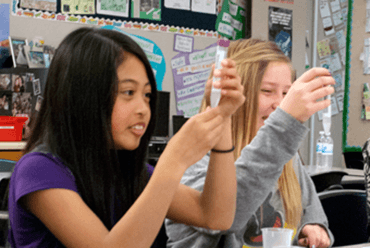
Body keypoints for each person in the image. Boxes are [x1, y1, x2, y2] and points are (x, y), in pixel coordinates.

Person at [8, 27, 246, 247]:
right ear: (85, 97)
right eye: (128, 92)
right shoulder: (39, 169)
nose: (143, 108)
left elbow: (216, 216)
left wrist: (222, 115)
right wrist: (173, 162)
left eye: (147, 95)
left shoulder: (128, 171)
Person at [165, 38, 335, 248]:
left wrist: (312, 227)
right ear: (233, 93)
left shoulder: (285, 156)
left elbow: (313, 215)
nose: (280, 105)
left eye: (286, 94)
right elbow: (222, 218)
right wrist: (284, 125)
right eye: (267, 91)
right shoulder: (197, 154)